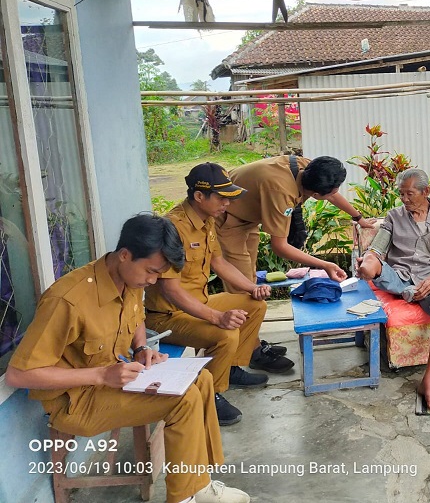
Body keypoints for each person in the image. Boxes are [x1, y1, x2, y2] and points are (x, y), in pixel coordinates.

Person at [6, 214, 250, 503]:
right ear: (124, 255)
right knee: (182, 402)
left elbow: (136, 318)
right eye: (152, 271)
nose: (154, 280)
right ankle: (183, 498)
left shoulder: (131, 280)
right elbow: (18, 375)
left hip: (114, 382)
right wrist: (100, 376)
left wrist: (140, 348)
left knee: (202, 379)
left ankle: (200, 484)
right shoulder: (67, 300)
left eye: (160, 274)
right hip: (77, 402)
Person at [145, 163, 294, 427]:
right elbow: (171, 289)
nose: (227, 203)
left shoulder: (206, 220)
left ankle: (231, 369)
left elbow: (219, 263)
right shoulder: (173, 228)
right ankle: (210, 395)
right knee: (225, 333)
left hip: (198, 302)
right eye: (222, 197)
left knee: (254, 305)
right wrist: (216, 317)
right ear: (199, 196)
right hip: (167, 316)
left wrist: (250, 288)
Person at [356, 169, 430, 409]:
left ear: (426, 192)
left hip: (429, 277)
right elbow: (378, 248)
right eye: (401, 194)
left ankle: (429, 378)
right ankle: (408, 292)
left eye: (409, 194)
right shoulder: (394, 217)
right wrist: (369, 262)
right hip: (399, 277)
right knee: (374, 269)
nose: (404, 199)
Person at [216, 155, 374, 284]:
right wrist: (324, 264)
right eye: (332, 192)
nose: (333, 194)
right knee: (240, 281)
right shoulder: (281, 192)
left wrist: (358, 218)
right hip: (226, 214)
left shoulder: (308, 168)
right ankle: (237, 318)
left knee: (249, 275)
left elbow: (331, 195)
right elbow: (279, 246)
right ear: (316, 196)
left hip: (248, 214)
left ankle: (246, 314)